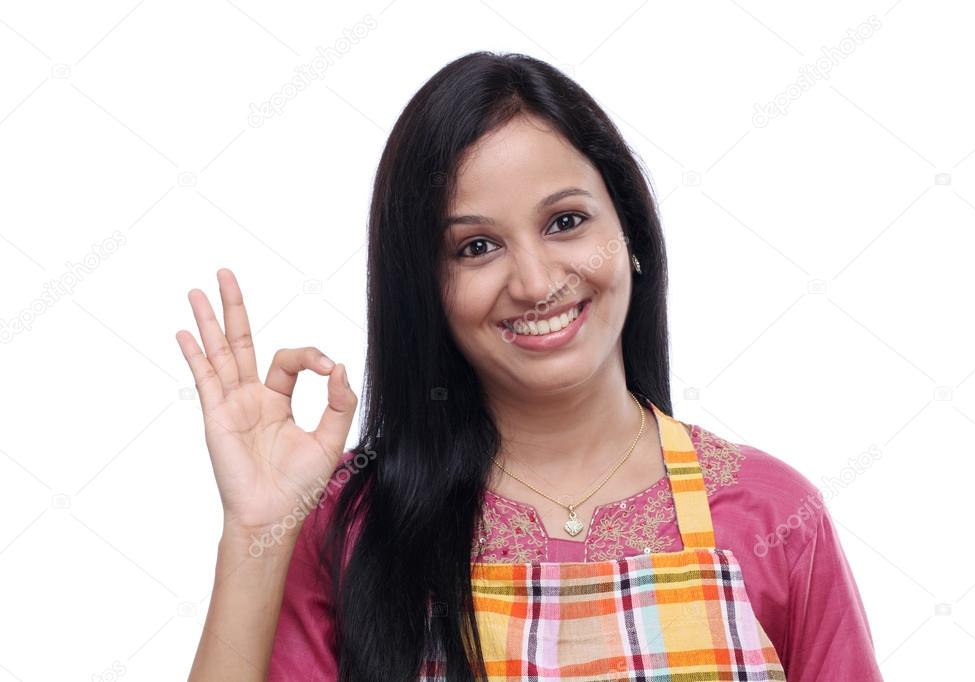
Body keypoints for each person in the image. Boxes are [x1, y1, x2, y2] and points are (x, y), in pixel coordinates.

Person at [181, 51, 883, 681]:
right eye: (476, 247)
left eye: (565, 222)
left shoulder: (772, 515)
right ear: (425, 287)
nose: (534, 280)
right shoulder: (352, 522)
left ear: (629, 228)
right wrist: (254, 533)